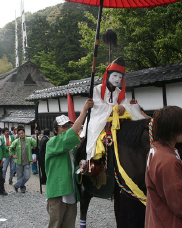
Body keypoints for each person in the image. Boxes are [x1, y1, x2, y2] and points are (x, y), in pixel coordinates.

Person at [82, 57, 147, 161]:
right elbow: (98, 105)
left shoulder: (119, 91)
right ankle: (91, 162)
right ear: (108, 76)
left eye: (120, 77)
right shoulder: (97, 89)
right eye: (115, 76)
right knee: (93, 138)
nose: (118, 79)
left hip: (117, 120)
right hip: (99, 119)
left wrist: (123, 107)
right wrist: (114, 109)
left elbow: (124, 104)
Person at [46, 98, 93, 228]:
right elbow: (71, 135)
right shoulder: (52, 143)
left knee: (69, 225)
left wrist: (81, 168)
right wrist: (84, 110)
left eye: (69, 126)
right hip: (58, 192)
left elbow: (72, 169)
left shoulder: (71, 148)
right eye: (64, 126)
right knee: (55, 225)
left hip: (70, 190)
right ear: (55, 130)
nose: (67, 129)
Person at [9, 125, 37, 193]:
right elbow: (10, 148)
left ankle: (16, 185)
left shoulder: (29, 139)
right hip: (19, 162)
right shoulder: (16, 141)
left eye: (22, 133)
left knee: (27, 176)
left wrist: (36, 135)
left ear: (24, 133)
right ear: (18, 135)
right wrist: (13, 155)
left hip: (27, 161)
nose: (21, 134)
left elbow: (35, 144)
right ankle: (22, 188)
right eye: (20, 133)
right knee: (19, 176)